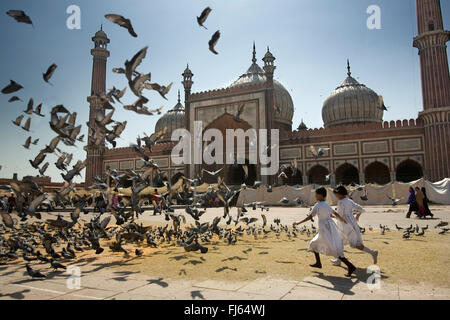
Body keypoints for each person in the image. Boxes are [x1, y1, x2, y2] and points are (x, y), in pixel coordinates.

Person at [293, 187, 357, 277]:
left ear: (320, 195)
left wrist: (298, 222)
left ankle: (351, 266)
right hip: (329, 227)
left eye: (316, 194)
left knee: (332, 248)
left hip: (324, 229)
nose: (315, 196)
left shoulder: (318, 205)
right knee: (314, 244)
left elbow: (310, 216)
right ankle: (318, 263)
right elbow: (334, 213)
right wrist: (342, 219)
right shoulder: (326, 204)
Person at [332, 186, 378, 266]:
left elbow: (340, 215)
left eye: (336, 194)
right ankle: (339, 259)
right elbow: (360, 209)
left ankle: (372, 252)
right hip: (352, 222)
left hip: (345, 224)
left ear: (340, 194)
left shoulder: (341, 202)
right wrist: (357, 216)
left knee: (354, 244)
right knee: (340, 241)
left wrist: (331, 216)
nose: (336, 196)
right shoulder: (349, 201)